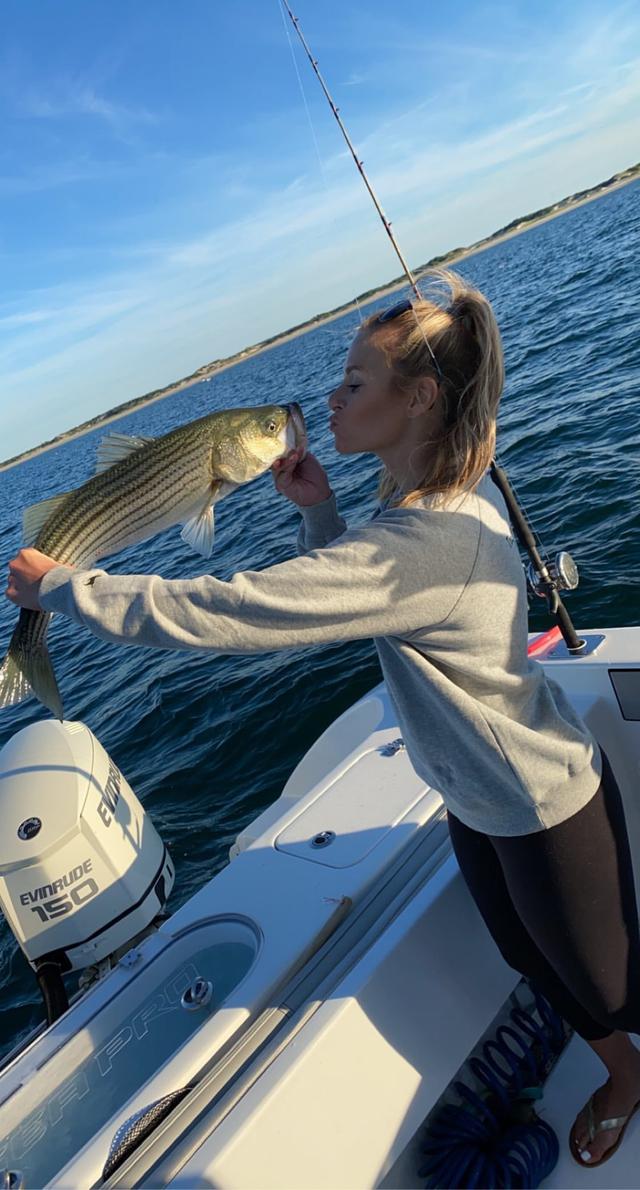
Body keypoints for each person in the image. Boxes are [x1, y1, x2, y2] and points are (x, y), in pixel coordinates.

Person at [6, 269, 640, 1166]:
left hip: (542, 807)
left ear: (418, 399)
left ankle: (625, 1072)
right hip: (476, 800)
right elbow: (373, 583)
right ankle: (608, 1047)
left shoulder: (432, 538)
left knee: (609, 989)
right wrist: (319, 513)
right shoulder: (426, 496)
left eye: (352, 384)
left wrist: (67, 589)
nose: (329, 398)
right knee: (532, 959)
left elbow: (234, 612)